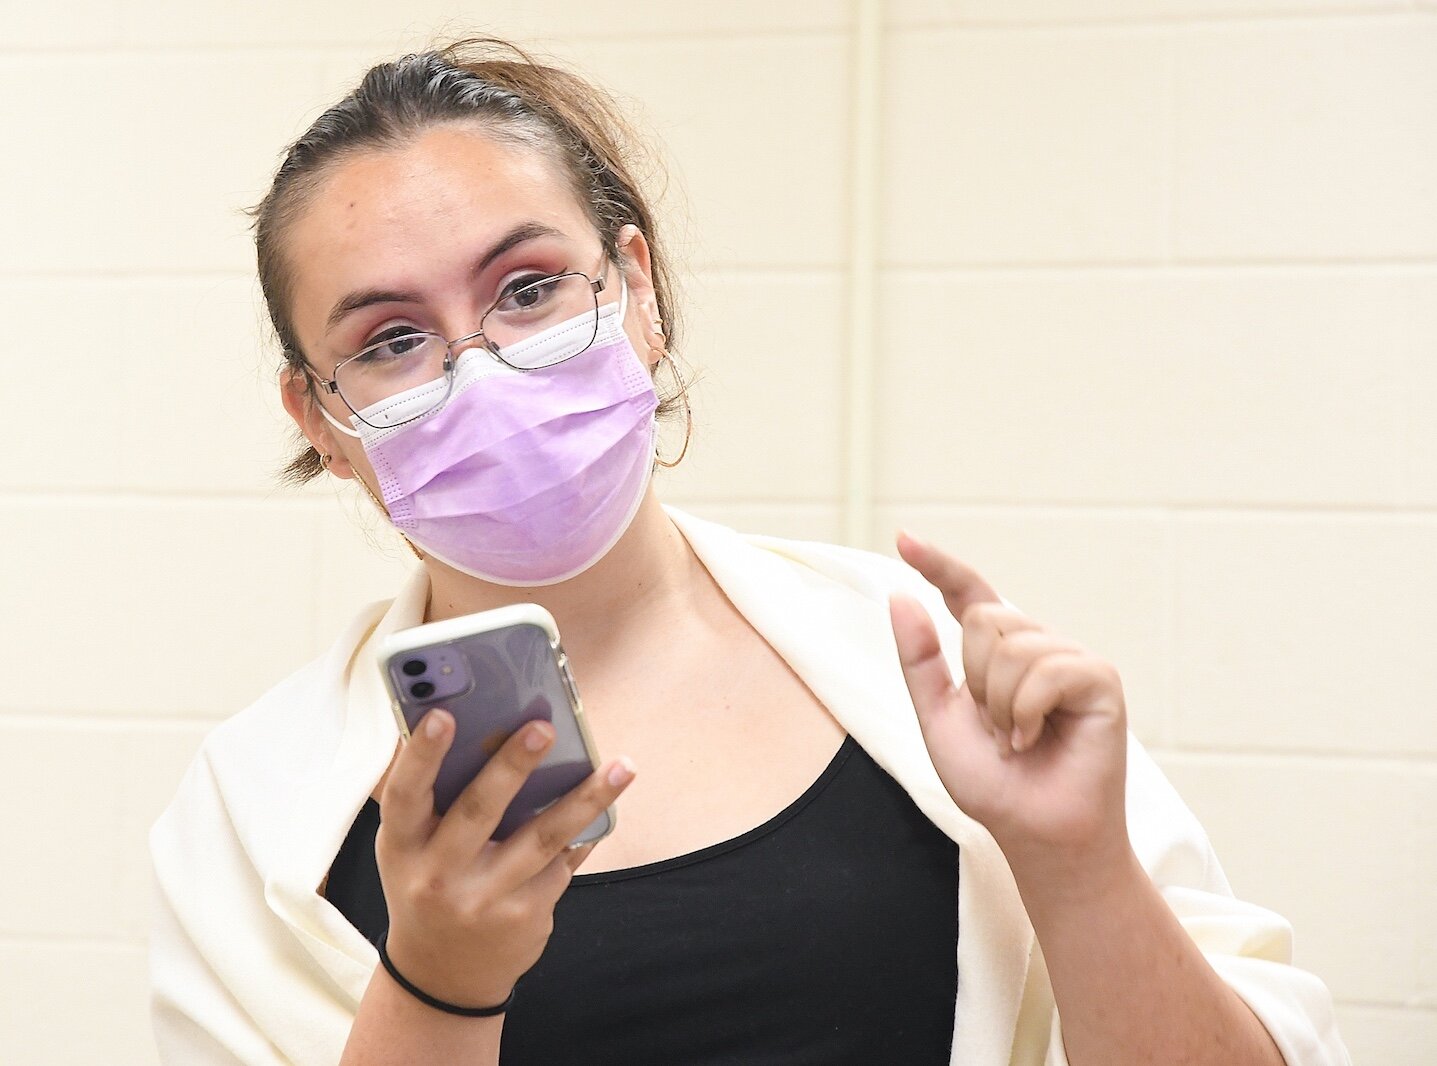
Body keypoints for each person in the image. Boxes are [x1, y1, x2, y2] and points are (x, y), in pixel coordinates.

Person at [149, 38, 1351, 1066]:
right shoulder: (256, 805)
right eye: (395, 339)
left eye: (527, 290)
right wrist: (437, 986)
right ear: (325, 423)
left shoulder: (917, 665)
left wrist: (1077, 870)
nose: (484, 374)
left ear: (637, 289)